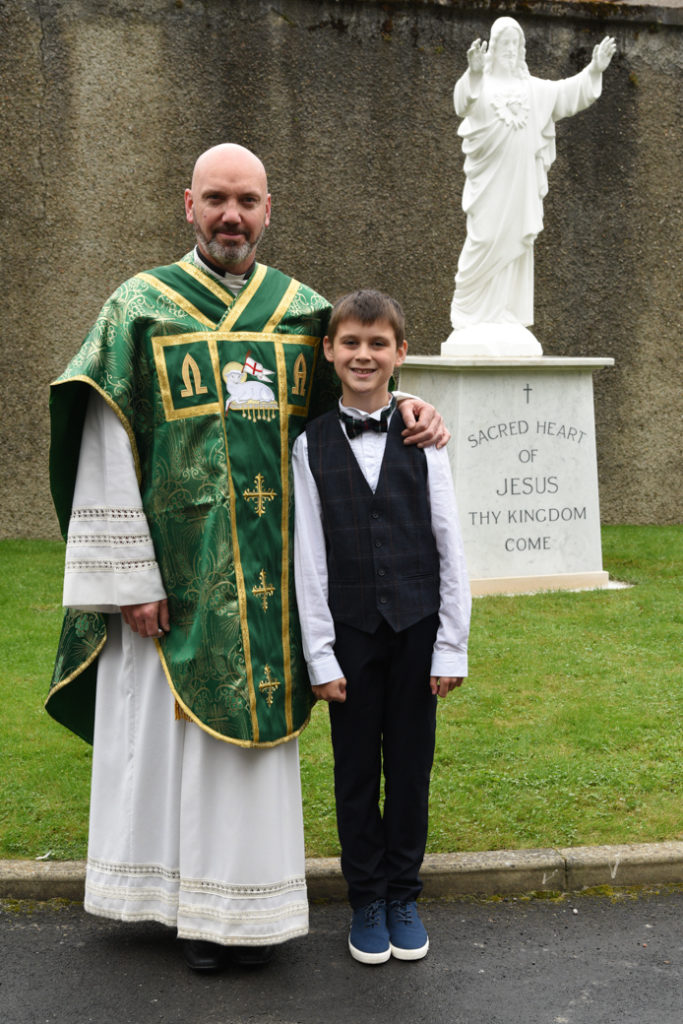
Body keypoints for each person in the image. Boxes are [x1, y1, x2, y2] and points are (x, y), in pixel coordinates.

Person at [46, 144, 447, 973]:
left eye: (247, 201)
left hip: (273, 582)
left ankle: (246, 912)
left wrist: (413, 404)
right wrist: (129, 578)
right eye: (216, 199)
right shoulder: (138, 308)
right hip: (174, 582)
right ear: (187, 204)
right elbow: (106, 444)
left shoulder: (298, 313)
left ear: (269, 210)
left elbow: (359, 384)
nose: (231, 216)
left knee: (249, 760)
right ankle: (181, 908)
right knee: (174, 751)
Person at [292, 290, 471, 964]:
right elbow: (309, 556)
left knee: (411, 766)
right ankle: (366, 898)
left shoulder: (424, 435)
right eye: (350, 343)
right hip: (351, 632)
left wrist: (450, 643)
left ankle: (403, 894)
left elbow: (449, 541)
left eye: (377, 344)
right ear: (328, 351)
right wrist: (320, 654)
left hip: (418, 627)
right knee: (355, 770)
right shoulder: (308, 445)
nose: (363, 355)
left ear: (400, 353)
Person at [449, 18, 616, 333]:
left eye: (516, 44)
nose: (510, 50)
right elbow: (463, 103)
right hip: (489, 184)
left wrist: (594, 70)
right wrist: (473, 72)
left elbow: (566, 93)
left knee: (515, 242)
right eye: (505, 44)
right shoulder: (482, 85)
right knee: (485, 238)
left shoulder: (533, 89)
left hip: (521, 184)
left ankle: (504, 312)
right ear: (493, 48)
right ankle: (467, 309)